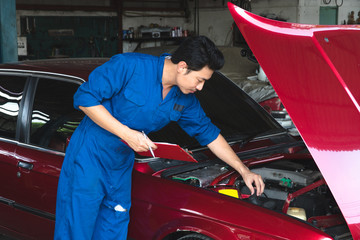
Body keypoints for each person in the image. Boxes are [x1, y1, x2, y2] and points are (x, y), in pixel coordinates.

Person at [54, 36, 264, 240]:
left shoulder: (185, 98)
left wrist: (244, 170)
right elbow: (84, 98)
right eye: (200, 80)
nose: (200, 87)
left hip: (120, 164)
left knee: (113, 226)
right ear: (182, 66)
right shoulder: (130, 66)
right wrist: (126, 133)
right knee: (77, 228)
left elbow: (209, 134)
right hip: (89, 157)